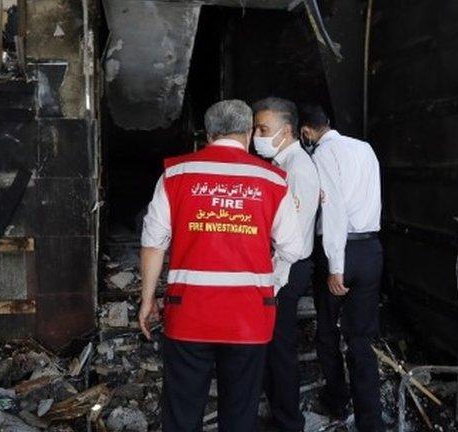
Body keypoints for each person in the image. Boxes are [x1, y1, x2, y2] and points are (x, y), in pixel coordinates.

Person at [138, 99, 303, 432]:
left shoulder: (176, 173)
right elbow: (293, 247)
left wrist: (147, 299)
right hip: (249, 316)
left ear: (209, 133)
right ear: (247, 133)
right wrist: (270, 281)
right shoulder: (273, 179)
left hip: (189, 312)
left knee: (182, 411)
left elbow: (154, 242)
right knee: (240, 412)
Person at [300, 104, 384, 432]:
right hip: (371, 249)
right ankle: (371, 423)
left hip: (342, 252)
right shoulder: (364, 148)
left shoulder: (322, 155)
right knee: (361, 340)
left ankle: (337, 398)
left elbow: (333, 210)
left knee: (327, 333)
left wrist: (336, 265)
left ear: (306, 131)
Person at [252, 97, 320, 432]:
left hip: (288, 271)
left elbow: (292, 235)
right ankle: (279, 413)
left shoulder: (296, 169)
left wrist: (274, 280)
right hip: (278, 269)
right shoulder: (282, 165)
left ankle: (289, 422)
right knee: (272, 347)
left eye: (264, 129)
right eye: (256, 128)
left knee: (280, 349)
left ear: (287, 130)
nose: (257, 135)